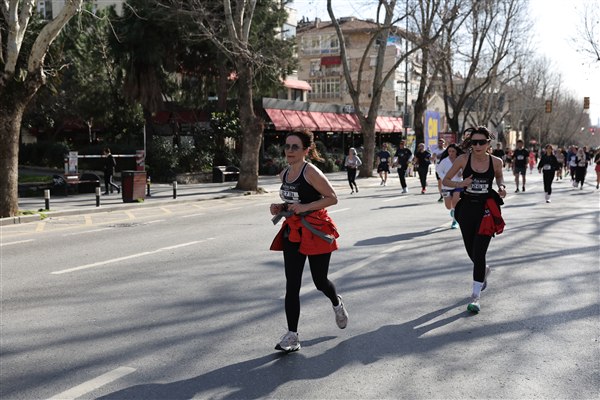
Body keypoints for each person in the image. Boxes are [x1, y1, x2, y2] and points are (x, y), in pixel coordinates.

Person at [269, 129, 348, 353]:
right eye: (287, 146)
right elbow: (292, 201)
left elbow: (332, 198)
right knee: (292, 284)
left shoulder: (311, 172)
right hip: (293, 231)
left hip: (316, 230)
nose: (290, 150)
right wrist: (280, 207)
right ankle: (292, 336)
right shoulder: (284, 174)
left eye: (295, 147)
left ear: (306, 150)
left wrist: (305, 207)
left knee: (319, 281)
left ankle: (336, 303)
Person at [442, 126, 506, 313]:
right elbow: (446, 180)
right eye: (474, 142)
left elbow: (499, 177)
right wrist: (461, 183)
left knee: (479, 252)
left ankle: (476, 297)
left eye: (481, 142)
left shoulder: (496, 161)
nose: (477, 146)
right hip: (466, 209)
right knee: (472, 252)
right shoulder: (463, 159)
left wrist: (502, 187)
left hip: (486, 210)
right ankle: (484, 269)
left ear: (488, 143)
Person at [436, 143, 464, 228]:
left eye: (453, 151)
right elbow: (439, 171)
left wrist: (461, 173)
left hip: (458, 184)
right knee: (448, 206)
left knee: (455, 202)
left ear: (456, 152)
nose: (451, 153)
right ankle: (452, 209)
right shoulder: (444, 161)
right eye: (449, 151)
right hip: (446, 186)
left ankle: (455, 221)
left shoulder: (460, 160)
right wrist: (445, 178)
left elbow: (465, 169)